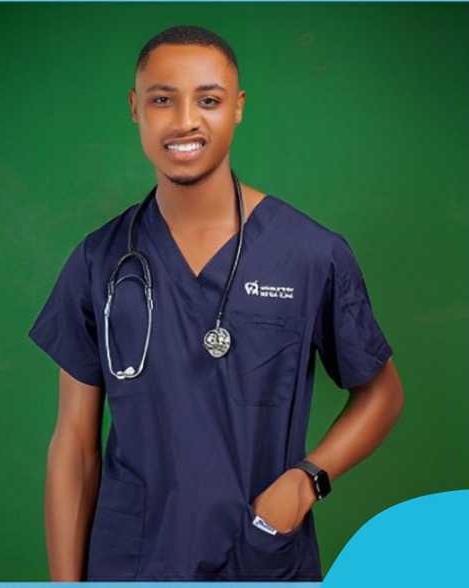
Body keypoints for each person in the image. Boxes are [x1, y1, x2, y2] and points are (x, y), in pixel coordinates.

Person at [29, 26, 405, 581]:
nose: (184, 120)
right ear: (135, 108)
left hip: (259, 556)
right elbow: (74, 446)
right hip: (132, 563)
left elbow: (382, 394)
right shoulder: (98, 260)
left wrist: (307, 479)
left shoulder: (308, 253)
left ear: (238, 108)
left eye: (208, 100)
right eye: (162, 99)